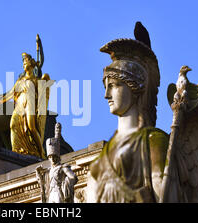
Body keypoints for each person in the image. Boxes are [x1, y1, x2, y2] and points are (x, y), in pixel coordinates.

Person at [86, 23, 169, 203]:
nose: (106, 94)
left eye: (114, 86)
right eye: (106, 87)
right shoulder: (98, 165)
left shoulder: (153, 143)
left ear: (135, 87)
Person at [0, 53, 51, 159]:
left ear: (31, 63)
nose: (24, 64)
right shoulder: (20, 81)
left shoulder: (36, 80)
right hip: (19, 106)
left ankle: (41, 152)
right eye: (23, 62)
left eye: (26, 62)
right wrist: (0, 100)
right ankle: (17, 151)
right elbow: (10, 93)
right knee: (13, 125)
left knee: (32, 127)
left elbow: (41, 95)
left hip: (30, 106)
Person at [36, 123, 78, 203]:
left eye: (54, 156)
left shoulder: (63, 167)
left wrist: (66, 184)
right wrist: (38, 174)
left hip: (59, 192)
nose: (53, 159)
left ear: (58, 157)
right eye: (50, 157)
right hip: (51, 194)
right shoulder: (48, 171)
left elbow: (73, 177)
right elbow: (43, 184)